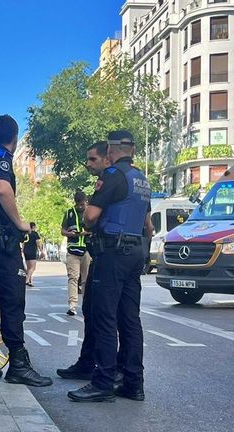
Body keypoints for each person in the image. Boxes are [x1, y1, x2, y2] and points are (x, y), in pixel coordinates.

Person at [0, 115, 52, 387]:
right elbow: (3, 190)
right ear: (14, 138)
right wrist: (19, 223)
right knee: (12, 298)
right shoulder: (2, 159)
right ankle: (18, 363)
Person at [68, 131, 153, 403]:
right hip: (135, 252)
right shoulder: (142, 180)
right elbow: (149, 226)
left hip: (113, 253)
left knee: (105, 317)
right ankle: (133, 383)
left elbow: (91, 217)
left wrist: (87, 214)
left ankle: (103, 381)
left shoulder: (113, 175)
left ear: (112, 150)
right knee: (130, 319)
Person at [57, 141, 108, 380]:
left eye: (92, 160)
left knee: (99, 307)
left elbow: (91, 220)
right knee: (77, 285)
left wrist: (88, 230)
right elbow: (148, 226)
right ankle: (93, 365)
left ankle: (103, 372)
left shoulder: (111, 181)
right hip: (82, 252)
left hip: (97, 252)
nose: (88, 165)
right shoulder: (130, 180)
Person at [61, 191, 91, 315]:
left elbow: (96, 229)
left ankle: (87, 304)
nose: (80, 207)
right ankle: (72, 305)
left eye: (82, 204)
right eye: (78, 204)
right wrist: (69, 234)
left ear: (86, 202)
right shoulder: (69, 213)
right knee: (73, 278)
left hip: (87, 250)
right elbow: (62, 231)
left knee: (86, 279)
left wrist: (86, 233)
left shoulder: (91, 212)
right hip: (73, 250)